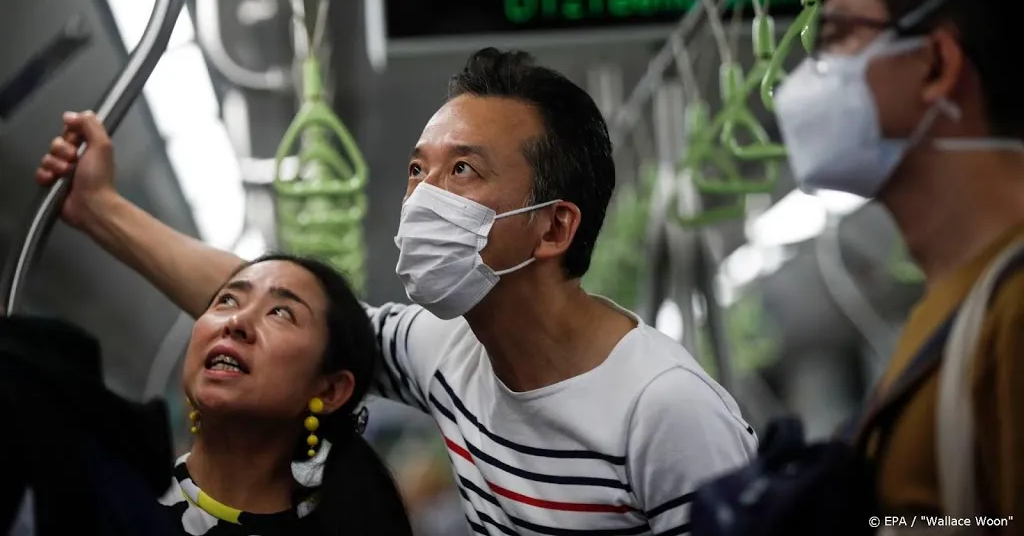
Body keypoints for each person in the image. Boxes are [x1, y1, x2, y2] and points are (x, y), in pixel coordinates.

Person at [37, 48, 757, 535]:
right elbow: (272, 305)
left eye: (463, 172)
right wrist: (101, 209)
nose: (421, 198)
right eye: (419, 169)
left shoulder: (664, 409)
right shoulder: (446, 350)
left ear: (552, 228)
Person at [772, 0, 1024, 526]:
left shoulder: (1016, 312)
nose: (810, 78)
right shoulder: (960, 303)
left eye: (838, 38)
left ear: (935, 63)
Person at [158, 252, 412, 536]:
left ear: (330, 390)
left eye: (281, 313)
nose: (237, 321)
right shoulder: (114, 497)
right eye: (227, 300)